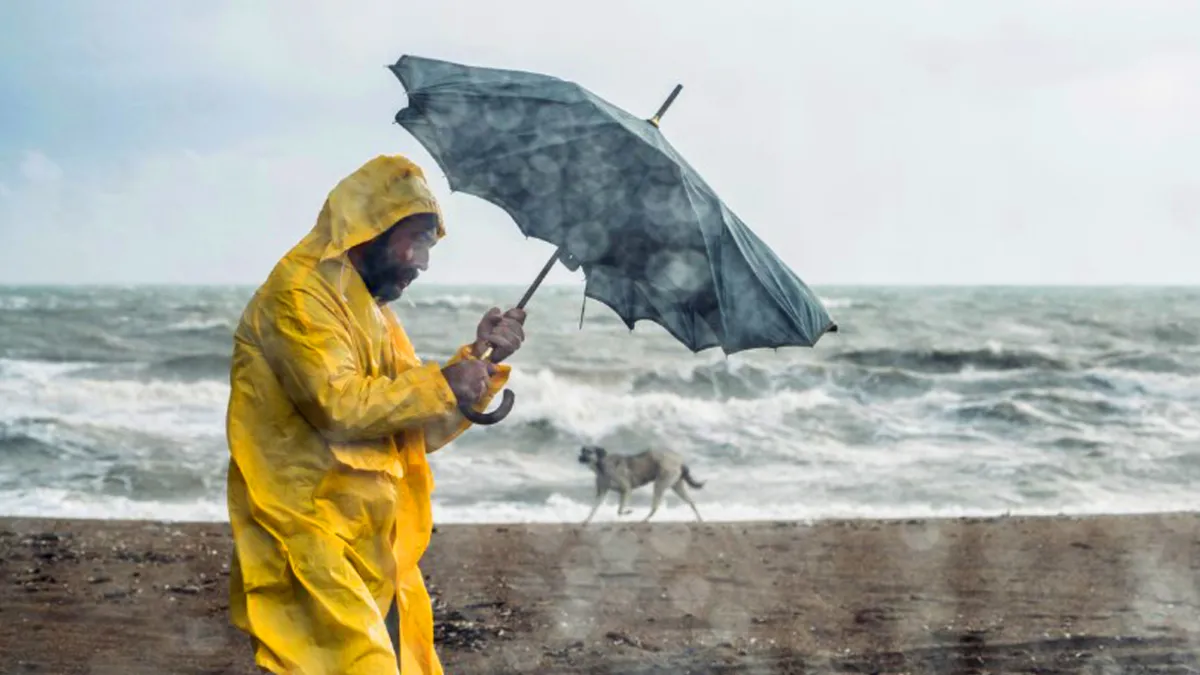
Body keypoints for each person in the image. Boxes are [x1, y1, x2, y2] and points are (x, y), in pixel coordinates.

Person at [224, 154, 526, 674]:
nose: (422, 262)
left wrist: (478, 361)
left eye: (429, 246)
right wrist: (444, 384)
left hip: (370, 538)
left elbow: (410, 427)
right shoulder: (298, 297)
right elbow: (338, 407)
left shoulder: (371, 311)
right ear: (370, 228)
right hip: (308, 529)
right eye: (417, 241)